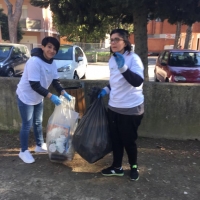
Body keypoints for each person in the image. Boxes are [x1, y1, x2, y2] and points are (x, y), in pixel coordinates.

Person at [16, 36, 72, 164]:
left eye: (54, 49)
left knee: (37, 122)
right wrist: (51, 96)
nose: (52, 50)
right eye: (49, 47)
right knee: (27, 125)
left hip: (38, 97)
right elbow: (34, 84)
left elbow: (55, 81)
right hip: (26, 96)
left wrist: (63, 93)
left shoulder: (52, 63)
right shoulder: (34, 62)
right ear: (43, 47)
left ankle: (39, 145)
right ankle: (23, 151)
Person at [98, 29, 144, 181]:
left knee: (128, 141)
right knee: (116, 140)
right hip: (114, 107)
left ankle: (134, 166)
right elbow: (115, 82)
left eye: (117, 39)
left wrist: (123, 67)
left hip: (131, 109)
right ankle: (117, 167)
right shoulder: (112, 59)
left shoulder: (133, 58)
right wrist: (105, 89)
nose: (113, 42)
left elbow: (137, 81)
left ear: (125, 41)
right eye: (111, 40)